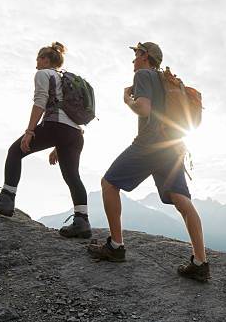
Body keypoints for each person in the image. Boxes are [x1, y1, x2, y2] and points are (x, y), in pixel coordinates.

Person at [88, 42, 209, 281]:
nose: (133, 60)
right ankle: (200, 261)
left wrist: (126, 100)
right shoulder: (168, 82)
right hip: (173, 146)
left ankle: (115, 246)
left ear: (145, 56)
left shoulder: (143, 75)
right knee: (182, 200)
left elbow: (143, 109)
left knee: (109, 183)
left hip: (149, 143)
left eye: (136, 55)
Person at [0, 42, 91, 238]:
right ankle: (82, 221)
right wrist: (59, 145)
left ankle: (6, 199)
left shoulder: (43, 74)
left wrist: (30, 130)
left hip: (56, 126)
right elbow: (66, 112)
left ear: (46, 59)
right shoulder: (64, 78)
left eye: (39, 58)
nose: (36, 61)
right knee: (72, 175)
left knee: (15, 152)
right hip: (74, 133)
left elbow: (40, 101)